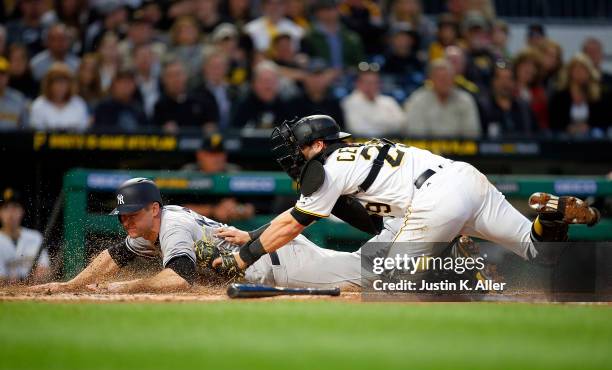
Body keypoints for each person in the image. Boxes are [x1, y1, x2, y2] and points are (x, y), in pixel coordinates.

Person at [206, 114, 600, 278]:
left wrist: (242, 258)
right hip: (463, 179)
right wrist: (256, 236)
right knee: (539, 252)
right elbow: (369, 221)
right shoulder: (355, 155)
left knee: (386, 280)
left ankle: (458, 270)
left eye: (299, 146)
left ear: (318, 144)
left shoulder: (327, 167)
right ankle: (550, 217)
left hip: (434, 199)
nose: (295, 154)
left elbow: (295, 223)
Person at [28, 178, 362, 293]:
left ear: (154, 209)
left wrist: (125, 286)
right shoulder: (147, 229)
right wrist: (72, 285)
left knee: (369, 276)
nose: (125, 220)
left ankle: (412, 255)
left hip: (285, 263)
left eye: (132, 213)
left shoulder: (170, 226)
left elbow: (179, 278)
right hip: (266, 263)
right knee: (363, 268)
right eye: (122, 215)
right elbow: (115, 255)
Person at [182, 135, 254, 223]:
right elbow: (178, 209)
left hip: (229, 229)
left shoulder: (234, 173)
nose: (216, 159)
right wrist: (213, 210)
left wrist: (237, 210)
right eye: (210, 154)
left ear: (225, 155)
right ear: (200, 155)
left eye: (219, 154)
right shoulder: (188, 173)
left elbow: (249, 208)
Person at [403, 58, 481, 138]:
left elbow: (472, 134)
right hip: (426, 148)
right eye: (440, 78)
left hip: (459, 149)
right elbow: (416, 134)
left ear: (453, 79)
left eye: (447, 77)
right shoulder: (417, 99)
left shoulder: (465, 100)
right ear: (431, 79)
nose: (444, 82)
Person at [548, 53, 607, 136]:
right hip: (565, 140)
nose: (580, 72)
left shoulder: (597, 96)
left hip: (593, 140)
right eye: (576, 69)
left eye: (583, 69)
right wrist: (568, 128)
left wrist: (589, 127)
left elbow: (604, 121)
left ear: (589, 72)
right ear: (569, 72)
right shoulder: (560, 96)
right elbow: (554, 123)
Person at [0, 188, 51, 283]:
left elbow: (46, 270)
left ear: (22, 211)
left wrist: (42, 274)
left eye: (15, 207)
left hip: (34, 293)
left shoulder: (35, 237)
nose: (11, 214)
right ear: (0, 213)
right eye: (6, 208)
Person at [341, 63, 405, 137]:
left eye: (376, 82)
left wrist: (375, 123)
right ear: (358, 83)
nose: (373, 86)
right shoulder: (349, 102)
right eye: (369, 83)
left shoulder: (388, 101)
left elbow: (402, 124)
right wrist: (387, 125)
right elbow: (358, 129)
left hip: (391, 143)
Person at [153, 60, 218, 133]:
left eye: (178, 74)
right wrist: (164, 131)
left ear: (185, 76)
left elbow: (211, 124)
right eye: (170, 76)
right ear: (164, 80)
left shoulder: (201, 99)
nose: (175, 79)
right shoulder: (160, 106)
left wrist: (209, 128)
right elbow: (153, 132)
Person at [479, 61, 538, 139]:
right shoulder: (483, 107)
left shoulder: (524, 108)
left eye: (509, 78)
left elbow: (536, 136)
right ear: (493, 81)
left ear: (514, 82)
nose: (505, 83)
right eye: (500, 78)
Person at [301, 0, 365, 70]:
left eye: (332, 9)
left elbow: (359, 62)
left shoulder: (351, 37)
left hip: (349, 75)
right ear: (317, 13)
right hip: (320, 75)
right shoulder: (309, 35)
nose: (329, 13)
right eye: (324, 10)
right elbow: (305, 59)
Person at [230, 61, 291, 130]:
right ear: (253, 84)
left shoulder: (288, 106)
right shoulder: (242, 106)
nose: (268, 86)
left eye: (272, 81)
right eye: (263, 81)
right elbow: (234, 133)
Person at [29, 62, 89, 130]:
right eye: (56, 82)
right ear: (49, 85)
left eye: (64, 82)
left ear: (70, 85)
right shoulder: (39, 105)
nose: (60, 86)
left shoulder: (79, 104)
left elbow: (84, 132)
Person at [288, 59, 344, 127]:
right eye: (312, 75)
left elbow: (341, 129)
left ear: (327, 78)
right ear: (305, 78)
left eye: (320, 76)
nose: (317, 80)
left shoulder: (334, 103)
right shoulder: (293, 104)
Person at [0, 57, 29, 130]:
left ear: (8, 76)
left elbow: (25, 127)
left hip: (13, 140)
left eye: (2, 74)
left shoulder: (18, 99)